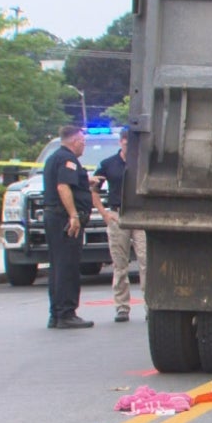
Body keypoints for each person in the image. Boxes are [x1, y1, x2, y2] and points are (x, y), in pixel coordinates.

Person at [91, 128, 147, 323]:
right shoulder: (108, 164)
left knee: (145, 262)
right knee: (120, 264)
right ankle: (122, 306)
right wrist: (104, 213)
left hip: (139, 215)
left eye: (131, 141)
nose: (127, 144)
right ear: (120, 141)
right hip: (117, 214)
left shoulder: (141, 162)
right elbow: (94, 189)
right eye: (125, 140)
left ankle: (150, 306)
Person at [43, 125, 95, 329]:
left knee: (57, 266)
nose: (84, 146)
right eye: (83, 142)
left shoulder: (54, 157)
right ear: (74, 141)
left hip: (54, 217)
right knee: (68, 266)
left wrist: (86, 182)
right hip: (64, 219)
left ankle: (56, 314)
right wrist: (73, 215)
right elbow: (63, 186)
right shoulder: (68, 159)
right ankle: (66, 313)